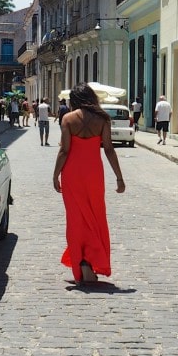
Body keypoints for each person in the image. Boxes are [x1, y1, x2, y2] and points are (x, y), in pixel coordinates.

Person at [52, 83, 126, 285]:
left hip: (72, 175)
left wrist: (55, 174)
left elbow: (64, 151)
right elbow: (109, 149)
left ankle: (82, 263)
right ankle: (90, 262)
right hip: (94, 174)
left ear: (74, 100)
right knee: (95, 217)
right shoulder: (102, 119)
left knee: (76, 220)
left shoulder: (68, 119)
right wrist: (119, 177)